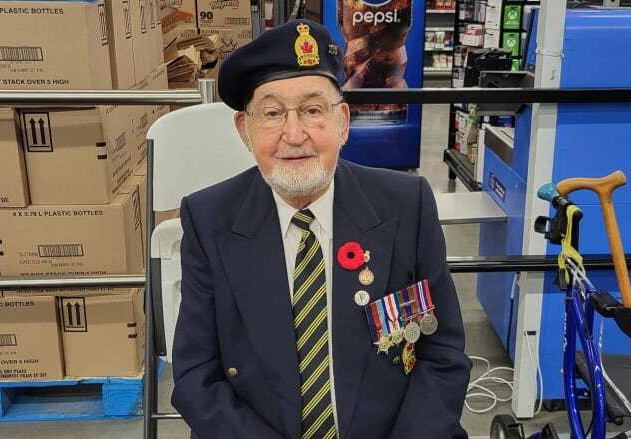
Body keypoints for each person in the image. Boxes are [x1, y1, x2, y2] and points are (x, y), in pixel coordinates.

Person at [171, 19, 471, 439]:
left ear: (343, 122)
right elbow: (195, 378)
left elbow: (442, 356)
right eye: (272, 114)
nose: (294, 135)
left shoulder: (406, 204)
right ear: (245, 130)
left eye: (313, 110)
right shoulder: (209, 219)